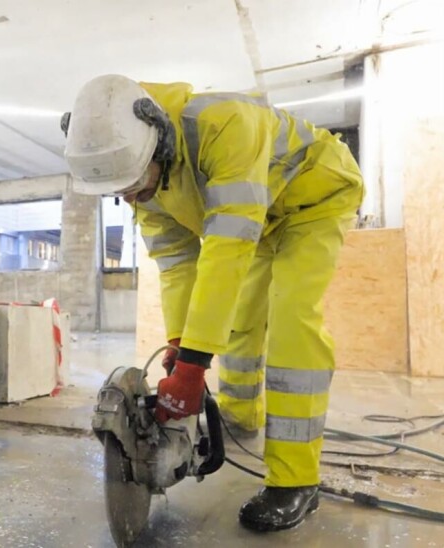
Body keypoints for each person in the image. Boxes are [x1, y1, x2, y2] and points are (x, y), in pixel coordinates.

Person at [62, 75, 364, 532]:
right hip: (263, 220)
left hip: (313, 200)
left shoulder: (225, 125)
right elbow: (179, 264)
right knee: (242, 321)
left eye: (135, 185)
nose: (131, 197)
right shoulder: (142, 178)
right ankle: (243, 418)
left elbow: (226, 249)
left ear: (157, 141)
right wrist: (181, 345)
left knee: (290, 320)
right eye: (121, 192)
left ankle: (297, 482)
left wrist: (194, 367)